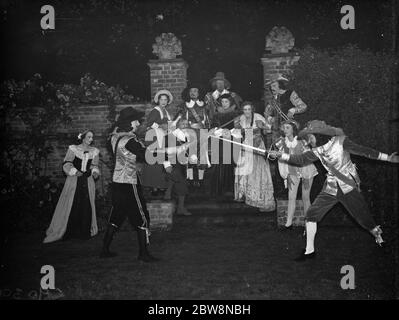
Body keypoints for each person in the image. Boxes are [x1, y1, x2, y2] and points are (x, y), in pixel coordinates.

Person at [270, 120, 399, 261]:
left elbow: (364, 151)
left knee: (363, 217)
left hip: (348, 187)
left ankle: (377, 234)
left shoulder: (341, 142)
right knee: (311, 214)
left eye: (311, 136)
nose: (308, 139)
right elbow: (301, 159)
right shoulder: (317, 150)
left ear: (319, 135)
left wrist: (388, 158)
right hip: (330, 188)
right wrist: (280, 155)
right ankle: (309, 251)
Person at [100, 107, 193, 260]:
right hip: (129, 183)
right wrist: (176, 150)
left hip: (117, 182)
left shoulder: (114, 138)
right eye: (136, 120)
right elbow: (147, 155)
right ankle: (143, 254)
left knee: (116, 215)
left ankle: (104, 250)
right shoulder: (130, 140)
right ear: (130, 122)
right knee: (142, 216)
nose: (138, 123)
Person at [43, 130, 99, 243]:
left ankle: (84, 232)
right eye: (89, 137)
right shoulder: (74, 149)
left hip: (87, 182)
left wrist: (94, 172)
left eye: (92, 137)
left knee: (86, 205)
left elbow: (94, 165)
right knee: (72, 203)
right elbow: (67, 163)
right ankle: (69, 231)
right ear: (82, 138)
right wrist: (74, 171)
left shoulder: (95, 151)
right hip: (74, 181)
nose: (91, 139)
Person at [275, 120, 318, 230]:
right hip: (292, 171)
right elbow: (282, 160)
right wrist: (286, 174)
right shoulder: (282, 143)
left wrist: (306, 175)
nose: (285, 130)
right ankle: (288, 223)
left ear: (293, 130)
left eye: (287, 128)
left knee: (305, 197)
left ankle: (308, 222)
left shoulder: (302, 142)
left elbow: (307, 158)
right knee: (291, 197)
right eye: (284, 128)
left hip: (306, 170)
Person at [234, 102, 275, 212]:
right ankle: (247, 196)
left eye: (248, 109)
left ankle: (260, 199)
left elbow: (269, 130)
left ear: (252, 109)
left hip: (257, 144)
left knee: (258, 170)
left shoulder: (258, 117)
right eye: (245, 109)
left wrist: (263, 126)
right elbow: (237, 134)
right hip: (246, 143)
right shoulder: (240, 119)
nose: (247, 112)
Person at [174, 83, 210, 187]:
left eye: (195, 91)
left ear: (199, 93)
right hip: (190, 133)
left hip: (202, 133)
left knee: (202, 157)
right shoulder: (184, 106)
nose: (193, 93)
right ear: (188, 93)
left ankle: (200, 179)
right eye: (191, 91)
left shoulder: (204, 105)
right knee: (190, 156)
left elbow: (208, 120)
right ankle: (190, 179)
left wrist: (210, 129)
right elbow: (178, 120)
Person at [140, 89, 173, 196]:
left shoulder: (166, 112)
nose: (163, 101)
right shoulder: (156, 110)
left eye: (165, 100)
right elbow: (149, 122)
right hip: (154, 136)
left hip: (162, 135)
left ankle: (159, 185)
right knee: (156, 159)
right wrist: (160, 126)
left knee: (161, 159)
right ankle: (153, 186)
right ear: (158, 100)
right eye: (161, 99)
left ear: (168, 101)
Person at [211, 93, 240, 196]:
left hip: (231, 140)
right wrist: (218, 130)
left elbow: (238, 127)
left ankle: (229, 188)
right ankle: (219, 188)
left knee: (229, 163)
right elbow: (214, 126)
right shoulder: (216, 114)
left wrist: (230, 131)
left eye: (226, 102)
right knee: (220, 162)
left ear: (230, 102)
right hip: (220, 140)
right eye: (222, 102)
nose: (224, 104)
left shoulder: (235, 114)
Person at [264, 74, 308, 142]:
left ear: (280, 85)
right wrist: (270, 119)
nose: (272, 88)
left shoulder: (290, 94)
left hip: (292, 130)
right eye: (271, 86)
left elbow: (303, 106)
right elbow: (267, 113)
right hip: (279, 132)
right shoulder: (272, 100)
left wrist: (294, 110)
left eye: (274, 85)